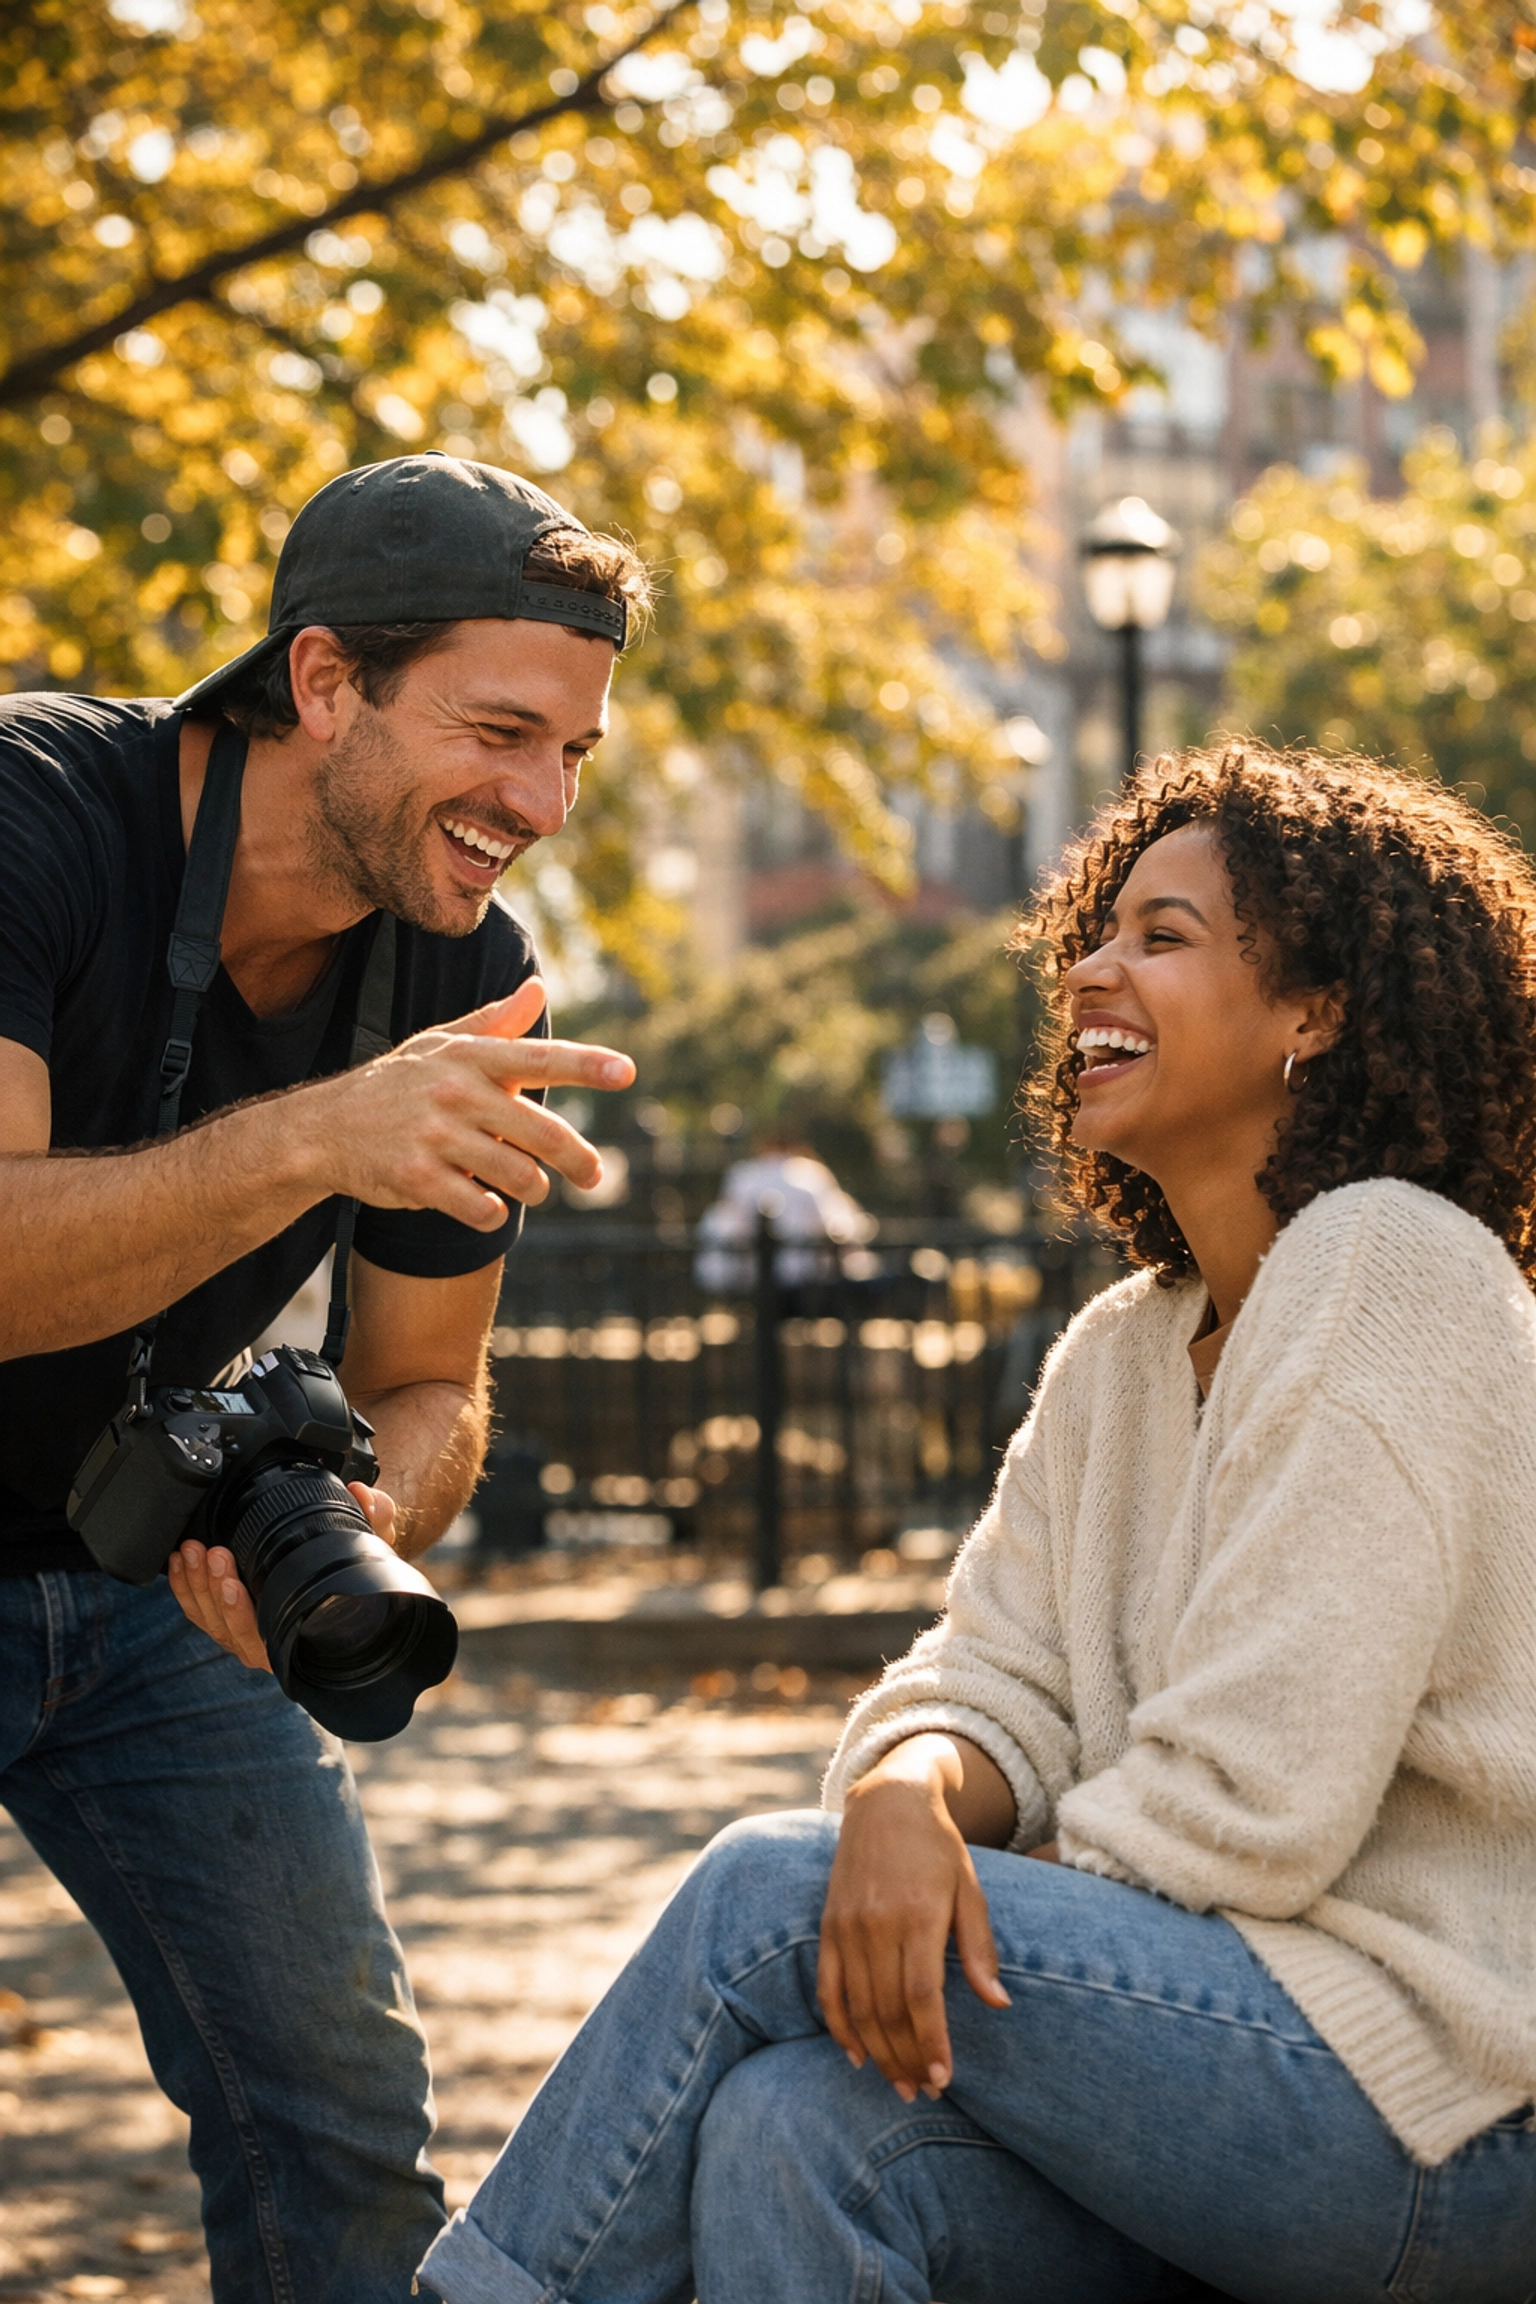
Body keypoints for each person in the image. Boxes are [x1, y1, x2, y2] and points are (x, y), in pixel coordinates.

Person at [419, 742, 1536, 2304]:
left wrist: (911, 1867)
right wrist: (904, 1791)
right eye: (1100, 931)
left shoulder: (1391, 1266)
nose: (1092, 970)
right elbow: (984, 1680)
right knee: (788, 2127)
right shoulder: (1126, 1354)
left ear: (1317, 1011)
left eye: (1165, 938)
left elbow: (1255, 1804)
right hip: (1217, 2055)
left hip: (1439, 2110)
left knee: (763, 1895)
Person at [0, 453, 647, 2301]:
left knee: (344, 2128)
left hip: (139, 1585)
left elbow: (429, 1383)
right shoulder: (35, 807)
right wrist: (321, 1139)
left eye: (575, 758)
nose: (537, 805)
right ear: (323, 684)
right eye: (502, 732)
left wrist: (379, 1507)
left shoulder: (475, 971)